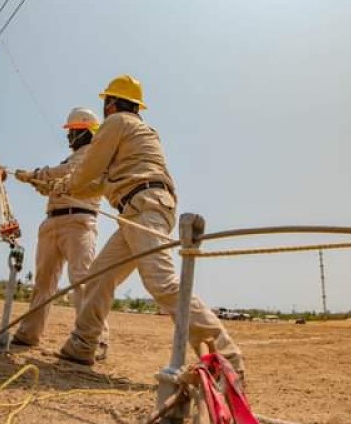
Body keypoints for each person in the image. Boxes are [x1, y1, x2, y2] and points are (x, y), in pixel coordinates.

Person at [49, 75, 245, 375]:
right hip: (138, 208)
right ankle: (82, 345)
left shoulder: (117, 123)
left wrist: (62, 185)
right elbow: (97, 184)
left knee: (162, 282)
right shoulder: (135, 133)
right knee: (99, 277)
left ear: (111, 104)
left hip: (144, 206)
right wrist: (66, 186)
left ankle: (226, 359)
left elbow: (88, 171)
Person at [11, 107, 110, 360]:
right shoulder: (72, 158)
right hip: (53, 221)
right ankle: (29, 332)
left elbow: (59, 175)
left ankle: (94, 340)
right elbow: (52, 184)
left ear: (85, 132)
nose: (68, 137)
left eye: (72, 132)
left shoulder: (92, 156)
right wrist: (35, 180)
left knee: (82, 279)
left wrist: (34, 175)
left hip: (79, 220)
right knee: (44, 281)